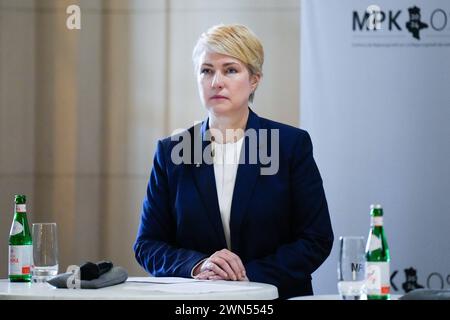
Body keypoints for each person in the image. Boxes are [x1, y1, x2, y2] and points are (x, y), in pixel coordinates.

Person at [133, 24, 333, 299]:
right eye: (206, 70)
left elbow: (316, 239)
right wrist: (199, 265)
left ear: (254, 79)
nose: (216, 81)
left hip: (273, 297)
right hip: (196, 302)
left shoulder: (290, 145)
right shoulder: (172, 152)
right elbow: (147, 244)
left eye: (230, 70)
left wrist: (246, 277)